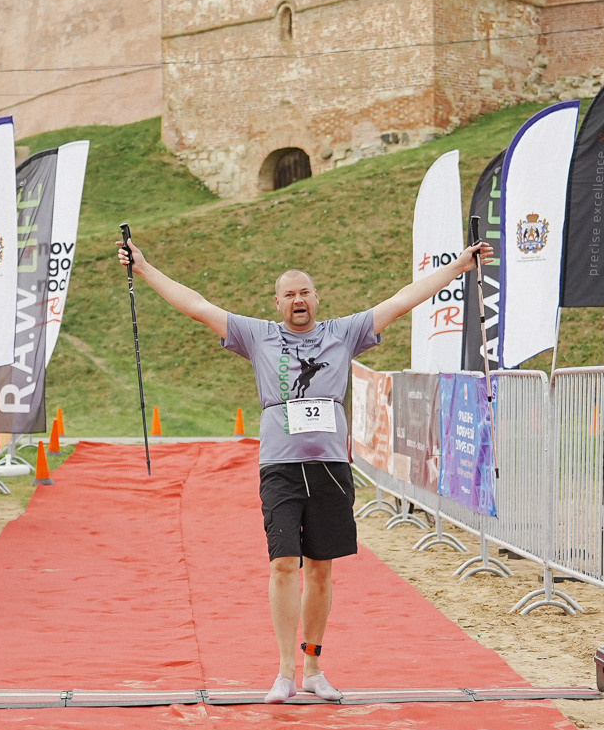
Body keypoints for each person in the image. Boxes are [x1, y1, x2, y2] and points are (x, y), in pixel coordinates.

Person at [119, 235, 494, 701]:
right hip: (280, 465)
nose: (298, 300)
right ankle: (284, 672)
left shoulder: (343, 333)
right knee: (283, 564)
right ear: (277, 303)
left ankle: (313, 667)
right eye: (289, 294)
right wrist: (144, 268)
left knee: (319, 570)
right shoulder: (257, 335)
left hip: (329, 467)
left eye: (304, 292)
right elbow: (197, 306)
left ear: (316, 298)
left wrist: (459, 267)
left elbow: (401, 301)